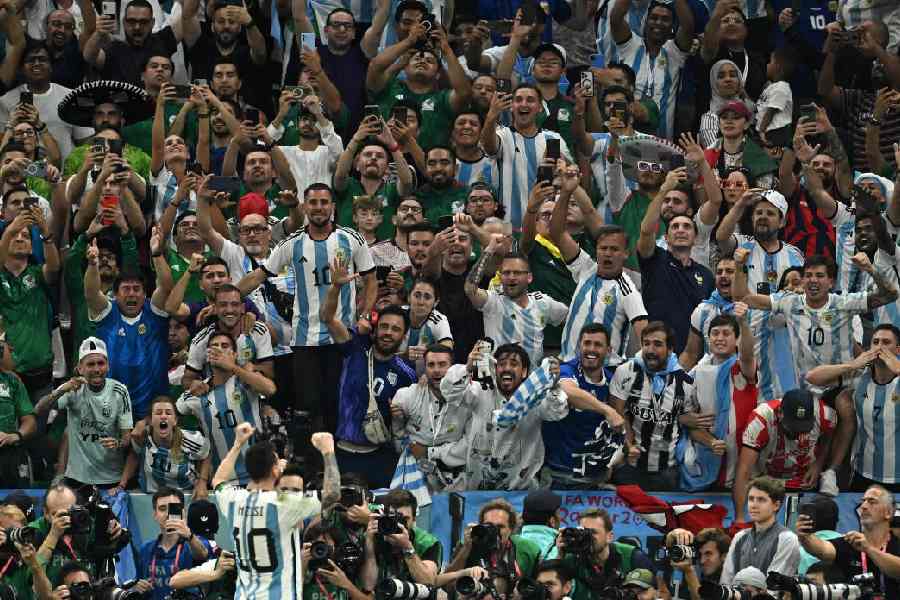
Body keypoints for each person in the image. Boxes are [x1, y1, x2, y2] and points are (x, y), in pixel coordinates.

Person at [237, 183, 376, 437]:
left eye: (324, 202)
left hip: (342, 337)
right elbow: (259, 276)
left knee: (338, 403)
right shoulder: (292, 243)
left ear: (333, 207)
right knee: (308, 409)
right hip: (304, 340)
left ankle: (340, 462)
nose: (319, 207)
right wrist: (229, 297)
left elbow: (371, 281)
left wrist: (365, 316)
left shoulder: (351, 238)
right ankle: (311, 470)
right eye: (313, 202)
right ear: (305, 206)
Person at [320, 258, 416, 488]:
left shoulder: (406, 375)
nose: (388, 333)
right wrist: (335, 287)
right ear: (374, 329)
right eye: (384, 326)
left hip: (379, 457)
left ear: (403, 337)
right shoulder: (355, 349)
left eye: (395, 329)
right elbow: (327, 318)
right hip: (342, 453)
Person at [212, 425, 331, 600]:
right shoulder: (285, 503)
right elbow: (333, 493)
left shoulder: (233, 500)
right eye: (277, 461)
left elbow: (218, 479)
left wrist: (238, 444)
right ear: (275, 469)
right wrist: (328, 452)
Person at [440, 342, 568, 490]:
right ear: (495, 370)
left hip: (521, 492)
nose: (507, 368)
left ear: (524, 371)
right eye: (501, 364)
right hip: (477, 490)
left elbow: (557, 411)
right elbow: (449, 392)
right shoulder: (479, 392)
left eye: (514, 364)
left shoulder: (536, 398)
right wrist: (467, 368)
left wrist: (553, 385)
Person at [805, 323, 900, 492]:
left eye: (886, 343)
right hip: (864, 474)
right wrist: (853, 365)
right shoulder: (861, 376)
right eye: (875, 342)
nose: (880, 347)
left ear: (898, 350)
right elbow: (812, 377)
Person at [610, 322, 702, 490]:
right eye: (646, 343)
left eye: (658, 344)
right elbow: (617, 414)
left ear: (670, 349)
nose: (650, 350)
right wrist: (627, 445)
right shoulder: (626, 372)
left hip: (667, 470)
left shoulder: (686, 383)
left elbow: (688, 422)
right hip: (630, 468)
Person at [176, 331, 275, 484]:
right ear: (208, 355)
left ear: (235, 355)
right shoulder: (200, 390)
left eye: (225, 346)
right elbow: (175, 412)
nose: (219, 349)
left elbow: (270, 389)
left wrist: (234, 367)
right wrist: (191, 389)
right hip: (222, 481)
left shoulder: (244, 381)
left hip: (256, 478)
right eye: (214, 346)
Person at [85, 240, 170, 420]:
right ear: (115, 295)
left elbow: (166, 287)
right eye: (126, 289)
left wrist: (157, 254)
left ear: (145, 293)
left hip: (152, 411)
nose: (131, 293)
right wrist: (93, 265)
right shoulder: (107, 312)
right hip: (112, 408)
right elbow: (91, 293)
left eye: (136, 289)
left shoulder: (155, 311)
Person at [33, 337, 133, 490]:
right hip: (76, 478)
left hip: (111, 479)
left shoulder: (120, 391)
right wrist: (61, 390)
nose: (96, 369)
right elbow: (39, 409)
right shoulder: (72, 389)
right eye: (90, 364)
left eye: (101, 363)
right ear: (80, 368)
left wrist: (118, 443)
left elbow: (127, 438)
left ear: (108, 366)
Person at [636, 169, 715, 354]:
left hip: (695, 359)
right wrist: (664, 190)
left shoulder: (706, 275)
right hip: (658, 355)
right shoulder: (654, 260)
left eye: (687, 227)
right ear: (666, 236)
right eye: (675, 227)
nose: (680, 230)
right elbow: (646, 231)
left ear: (695, 238)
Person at [542, 323, 626, 489]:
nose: (591, 349)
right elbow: (568, 391)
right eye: (587, 343)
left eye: (598, 344)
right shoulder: (567, 370)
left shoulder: (613, 381)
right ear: (579, 346)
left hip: (597, 477)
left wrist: (611, 463)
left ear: (608, 350)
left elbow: (618, 425)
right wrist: (606, 409)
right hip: (560, 475)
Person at [733, 390, 837, 520]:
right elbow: (744, 469)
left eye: (804, 428)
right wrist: (739, 518)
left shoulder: (825, 415)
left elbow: (829, 435)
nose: (798, 434)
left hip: (802, 482)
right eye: (793, 427)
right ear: (780, 414)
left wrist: (818, 464)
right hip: (765, 480)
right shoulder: (760, 420)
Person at [482, 84, 572, 229]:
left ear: (540, 107)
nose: (523, 104)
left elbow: (570, 175)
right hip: (509, 228)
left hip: (545, 227)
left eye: (530, 100)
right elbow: (489, 146)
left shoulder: (554, 139)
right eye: (518, 100)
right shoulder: (502, 135)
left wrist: (563, 164)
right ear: (512, 106)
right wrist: (492, 115)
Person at [465, 248, 568, 367]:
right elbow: (469, 289)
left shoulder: (542, 302)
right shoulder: (493, 302)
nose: (511, 277)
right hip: (499, 382)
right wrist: (488, 250)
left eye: (517, 273)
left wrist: (567, 355)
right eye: (506, 273)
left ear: (529, 277)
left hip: (532, 382)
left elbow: (571, 319)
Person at [609, 0, 695, 138]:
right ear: (645, 21)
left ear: (673, 26)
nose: (659, 23)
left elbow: (688, 27)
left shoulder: (675, 52)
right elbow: (615, 19)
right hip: (624, 136)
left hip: (662, 143)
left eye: (665, 19)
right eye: (654, 18)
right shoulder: (630, 46)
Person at [391, 343, 469, 493]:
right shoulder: (407, 396)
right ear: (424, 368)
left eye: (442, 364)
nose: (437, 370)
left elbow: (469, 444)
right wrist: (398, 420)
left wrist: (429, 452)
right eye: (431, 365)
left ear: (453, 369)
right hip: (415, 467)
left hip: (455, 471)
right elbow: (398, 439)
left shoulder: (469, 399)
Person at [797, 484, 900, 597]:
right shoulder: (851, 541)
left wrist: (869, 549)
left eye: (872, 501)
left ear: (888, 513)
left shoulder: (896, 544)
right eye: (863, 501)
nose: (864, 506)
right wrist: (805, 537)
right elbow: (823, 550)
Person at [0, 209, 59, 401]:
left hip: (41, 373)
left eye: (25, 235)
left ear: (32, 247)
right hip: (7, 372)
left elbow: (54, 267)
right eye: (14, 235)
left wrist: (45, 233)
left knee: (39, 428)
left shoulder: (38, 274)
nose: (19, 238)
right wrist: (10, 229)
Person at [28, 483, 130, 584]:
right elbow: (31, 577)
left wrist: (116, 531)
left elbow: (111, 545)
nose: (65, 519)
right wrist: (53, 535)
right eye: (58, 514)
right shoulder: (34, 532)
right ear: (46, 513)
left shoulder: (84, 521)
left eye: (69, 512)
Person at [121, 395, 211, 495]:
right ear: (150, 420)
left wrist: (202, 482)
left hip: (184, 494)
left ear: (175, 421)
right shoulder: (142, 437)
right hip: (151, 496)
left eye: (168, 413)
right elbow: (134, 455)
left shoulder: (190, 439)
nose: (163, 416)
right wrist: (121, 485)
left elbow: (206, 454)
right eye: (158, 413)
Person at [559, 507, 655, 600]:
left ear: (609, 537)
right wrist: (559, 555)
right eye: (583, 532)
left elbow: (655, 592)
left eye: (593, 532)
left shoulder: (633, 557)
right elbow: (553, 589)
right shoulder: (572, 559)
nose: (587, 537)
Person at [720, 476, 801, 584]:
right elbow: (726, 581)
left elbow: (776, 588)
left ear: (776, 505)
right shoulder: (740, 537)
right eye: (751, 499)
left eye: (761, 500)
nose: (754, 505)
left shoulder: (788, 539)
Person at [137, 487, 212, 600]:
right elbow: (138, 582)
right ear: (155, 515)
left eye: (173, 508)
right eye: (162, 509)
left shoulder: (196, 543)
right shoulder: (145, 549)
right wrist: (137, 586)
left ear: (183, 512)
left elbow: (202, 554)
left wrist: (189, 536)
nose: (167, 514)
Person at [446, 498, 541, 581]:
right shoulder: (467, 545)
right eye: (489, 526)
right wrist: (466, 550)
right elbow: (447, 586)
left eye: (500, 526)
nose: (494, 531)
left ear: (511, 529)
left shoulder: (528, 550)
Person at [679, 258, 739, 369]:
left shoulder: (753, 309)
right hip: (712, 380)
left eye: (730, 271)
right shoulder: (703, 311)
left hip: (746, 380)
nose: (723, 275)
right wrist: (675, 381)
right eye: (719, 272)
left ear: (742, 276)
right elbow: (690, 354)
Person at [0, 345, 35, 488]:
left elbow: (29, 421)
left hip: (8, 450)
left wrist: (16, 436)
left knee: (16, 503)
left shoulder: (13, 381)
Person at [519, 490, 563, 561]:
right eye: (559, 513)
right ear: (552, 521)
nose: (560, 518)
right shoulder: (561, 550)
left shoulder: (512, 546)